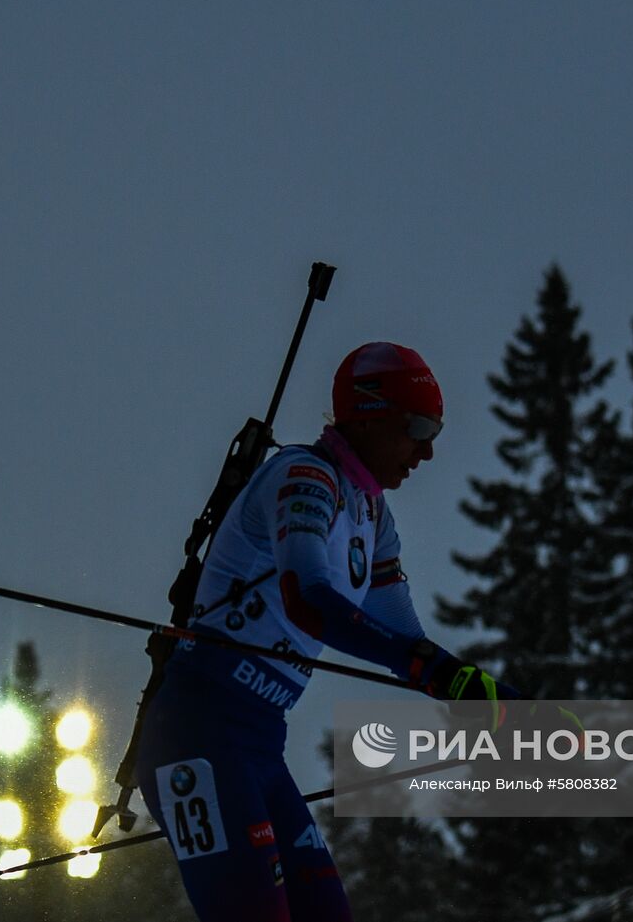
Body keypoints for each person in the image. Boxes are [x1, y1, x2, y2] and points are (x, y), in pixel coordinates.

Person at [134, 341, 516, 922]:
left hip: (260, 745)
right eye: (418, 426)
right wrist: (438, 675)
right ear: (368, 415)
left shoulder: (373, 516)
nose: (428, 451)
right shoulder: (304, 477)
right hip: (196, 735)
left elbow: (405, 643)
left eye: (436, 430)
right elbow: (310, 598)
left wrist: (499, 704)